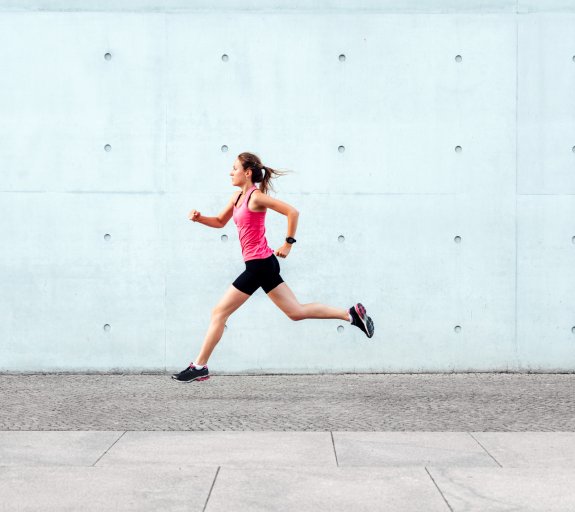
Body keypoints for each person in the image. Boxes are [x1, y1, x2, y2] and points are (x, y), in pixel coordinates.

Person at [172, 152, 374, 382]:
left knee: (219, 312)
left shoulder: (256, 197)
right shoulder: (237, 197)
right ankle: (350, 315)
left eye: (234, 168)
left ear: (247, 173)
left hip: (259, 265)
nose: (231, 172)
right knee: (295, 312)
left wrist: (288, 244)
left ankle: (199, 366)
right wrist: (199, 218)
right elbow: (219, 222)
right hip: (263, 264)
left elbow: (292, 212)